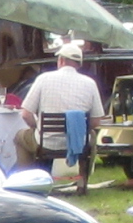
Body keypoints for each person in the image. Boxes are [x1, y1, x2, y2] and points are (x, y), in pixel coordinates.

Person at [18, 39, 106, 194]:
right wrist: (76, 130)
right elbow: (96, 120)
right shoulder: (90, 83)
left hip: (47, 141)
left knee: (20, 137)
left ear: (61, 60)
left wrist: (36, 126)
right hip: (78, 143)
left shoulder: (43, 79)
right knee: (91, 136)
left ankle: (26, 182)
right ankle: (82, 183)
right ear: (79, 64)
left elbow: (25, 113)